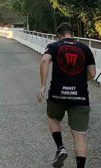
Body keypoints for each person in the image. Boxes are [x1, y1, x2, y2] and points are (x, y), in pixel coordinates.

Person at [37, 23, 96, 168]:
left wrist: (43, 85)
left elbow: (45, 60)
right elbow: (92, 74)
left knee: (53, 118)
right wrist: (79, 80)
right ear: (73, 34)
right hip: (80, 96)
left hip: (58, 94)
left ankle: (60, 147)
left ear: (58, 35)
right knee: (79, 135)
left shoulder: (54, 46)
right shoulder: (84, 48)